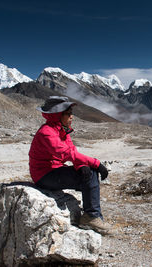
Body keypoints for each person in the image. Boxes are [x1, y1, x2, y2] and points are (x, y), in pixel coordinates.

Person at [29, 96, 114, 236]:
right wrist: (96, 163)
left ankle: (93, 216)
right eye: (68, 113)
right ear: (57, 115)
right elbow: (66, 153)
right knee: (92, 173)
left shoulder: (60, 129)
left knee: (88, 173)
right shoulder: (47, 133)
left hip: (53, 171)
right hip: (44, 176)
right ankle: (91, 217)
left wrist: (81, 166)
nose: (72, 117)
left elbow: (72, 151)